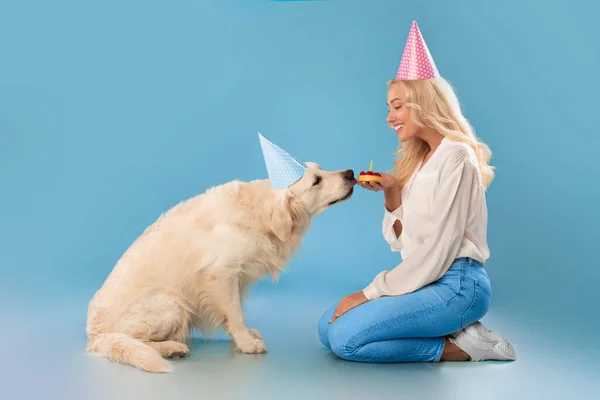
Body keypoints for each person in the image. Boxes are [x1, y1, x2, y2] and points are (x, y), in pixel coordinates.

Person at [317, 21, 516, 363]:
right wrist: (392, 194)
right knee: (326, 328)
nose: (389, 117)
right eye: (388, 108)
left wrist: (369, 293)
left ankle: (466, 347)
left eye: (396, 106)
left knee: (345, 340)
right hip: (426, 278)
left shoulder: (457, 156)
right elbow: (403, 244)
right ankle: (449, 327)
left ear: (422, 102)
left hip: (458, 285)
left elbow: (440, 249)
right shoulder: (424, 160)